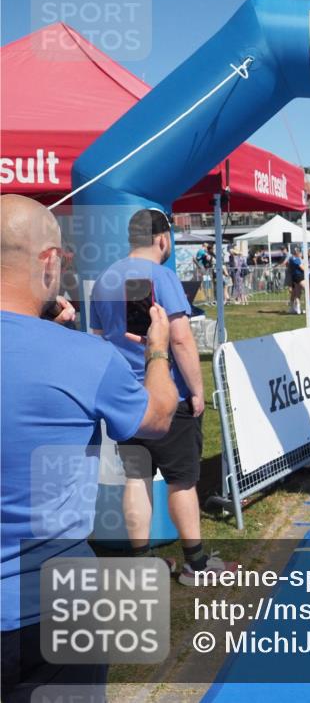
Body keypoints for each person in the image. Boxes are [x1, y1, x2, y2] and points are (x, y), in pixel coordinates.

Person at [1, 195, 176, 701]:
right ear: (48, 262)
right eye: (63, 257)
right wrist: (158, 349)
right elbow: (158, 416)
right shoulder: (84, 357)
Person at [90, 208, 235, 586]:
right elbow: (181, 339)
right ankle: (195, 564)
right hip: (168, 394)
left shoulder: (105, 278)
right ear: (162, 239)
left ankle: (141, 563)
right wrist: (198, 390)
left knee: (136, 478)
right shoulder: (162, 276)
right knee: (181, 480)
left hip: (125, 397)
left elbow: (97, 339)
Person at [286, 245, 305, 314]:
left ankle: (297, 308)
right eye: (299, 252)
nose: (301, 253)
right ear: (296, 252)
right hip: (298, 276)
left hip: (296, 277)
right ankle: (297, 308)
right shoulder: (294, 259)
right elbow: (302, 268)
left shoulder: (295, 258)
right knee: (307, 290)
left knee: (297, 293)